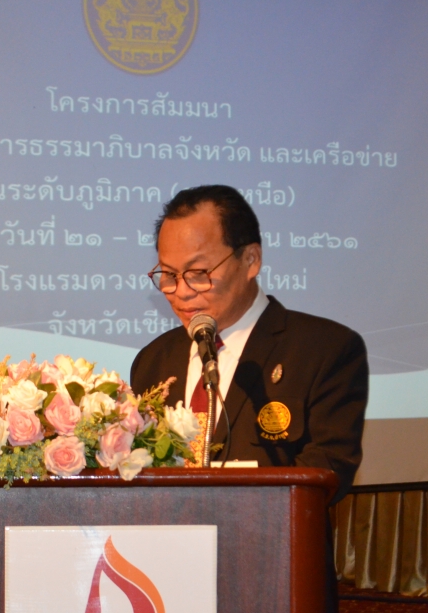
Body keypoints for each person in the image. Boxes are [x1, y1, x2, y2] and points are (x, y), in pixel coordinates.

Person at [131, 185, 368, 498]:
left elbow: (325, 476)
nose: (182, 292)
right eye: (169, 274)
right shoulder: (153, 360)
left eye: (198, 272)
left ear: (251, 260)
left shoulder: (325, 350)